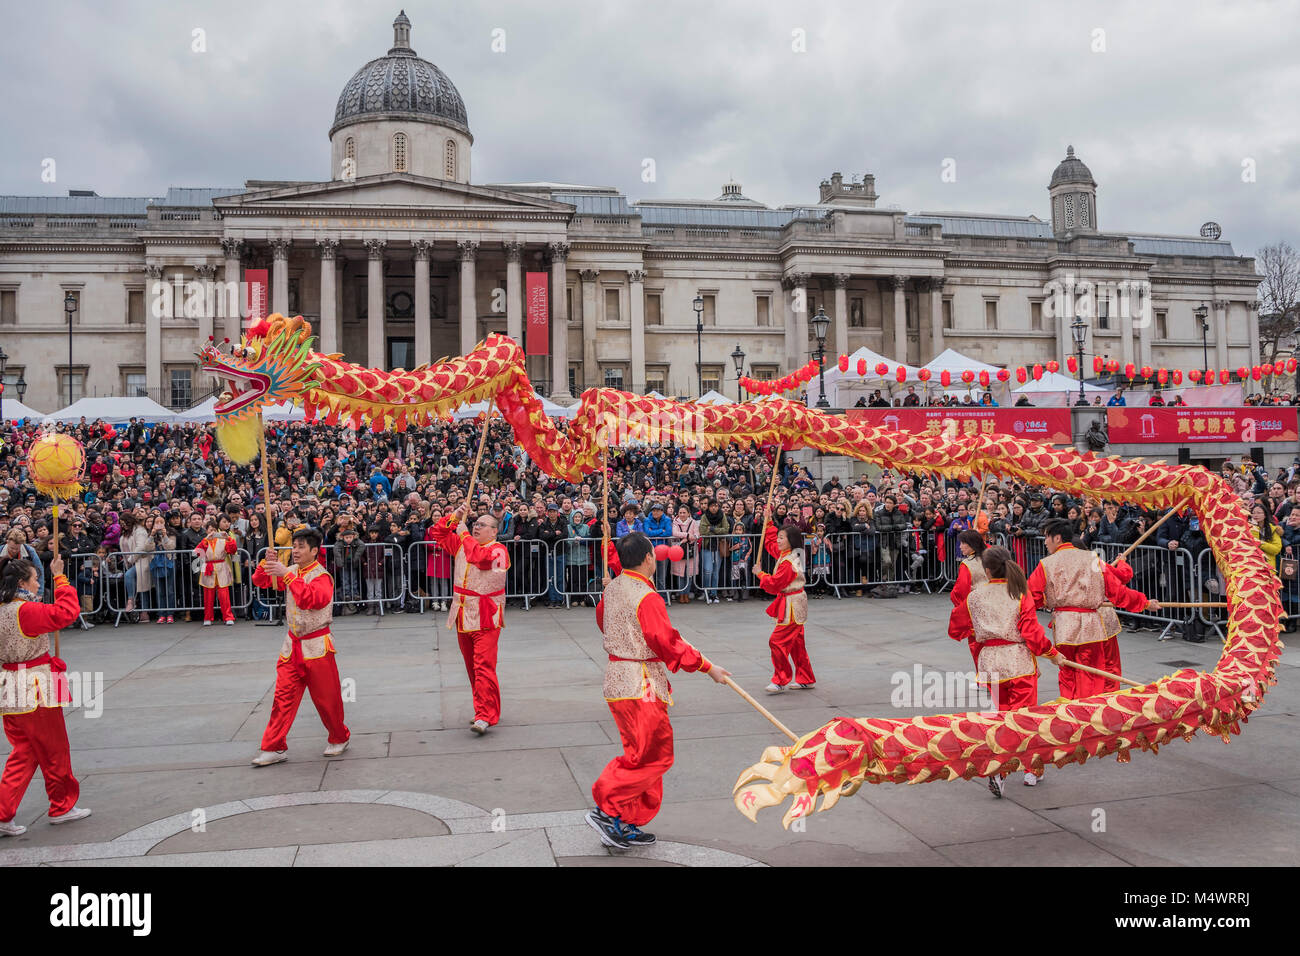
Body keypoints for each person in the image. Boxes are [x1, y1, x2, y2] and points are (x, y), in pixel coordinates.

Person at [585, 531, 730, 849]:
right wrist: (707, 667)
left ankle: (624, 821)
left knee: (639, 755)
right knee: (656, 757)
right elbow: (666, 642)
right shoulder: (645, 596)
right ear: (649, 558)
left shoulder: (614, 589)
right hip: (641, 683)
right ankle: (607, 807)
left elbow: (604, 622)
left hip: (617, 679)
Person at [0, 556, 92, 834]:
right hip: (35, 687)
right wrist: (61, 578)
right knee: (54, 750)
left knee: (25, 752)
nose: (38, 583)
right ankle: (61, 805)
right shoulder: (24, 610)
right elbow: (66, 612)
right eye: (35, 578)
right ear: (21, 583)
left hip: (9, 686)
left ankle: (3, 812)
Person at [250, 527, 350, 766]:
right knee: (282, 698)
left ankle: (339, 736)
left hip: (317, 646)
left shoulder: (322, 576)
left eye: (301, 546)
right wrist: (267, 563)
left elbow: (311, 601)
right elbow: (260, 581)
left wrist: (286, 574)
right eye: (294, 546)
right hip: (292, 645)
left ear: (314, 551)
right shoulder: (291, 570)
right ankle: (273, 746)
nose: (295, 551)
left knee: (327, 700)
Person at [1027, 518, 1159, 697]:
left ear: (1057, 538)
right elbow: (1117, 591)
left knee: (1067, 673)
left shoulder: (1046, 564)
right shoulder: (1091, 559)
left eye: (1046, 537)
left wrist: (1043, 602)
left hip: (1065, 627)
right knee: (1091, 674)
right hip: (1091, 626)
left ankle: (1071, 711)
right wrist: (1143, 603)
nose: (1044, 541)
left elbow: (1030, 598)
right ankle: (1091, 713)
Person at [968, 547, 1061, 795]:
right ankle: (1032, 768)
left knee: (1003, 716)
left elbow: (961, 627)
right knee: (1025, 718)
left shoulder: (975, 596)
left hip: (991, 663)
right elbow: (1031, 633)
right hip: (1018, 662)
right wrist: (1051, 653)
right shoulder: (1018, 593)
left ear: (987, 571)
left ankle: (1002, 768)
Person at [433, 504, 510, 735]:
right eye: (475, 524)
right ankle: (483, 710)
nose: (476, 527)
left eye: (482, 525)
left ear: (494, 531)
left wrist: (464, 532)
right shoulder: (462, 544)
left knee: (484, 666)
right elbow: (438, 534)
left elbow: (479, 558)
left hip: (487, 614)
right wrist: (454, 517)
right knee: (472, 668)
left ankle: (486, 715)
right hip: (463, 613)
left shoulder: (499, 550)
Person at [753, 510, 815, 693]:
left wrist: (760, 574)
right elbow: (771, 544)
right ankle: (806, 677)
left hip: (792, 605)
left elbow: (774, 584)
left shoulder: (790, 561)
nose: (778, 541)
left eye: (782, 538)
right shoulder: (785, 554)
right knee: (796, 644)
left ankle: (781, 679)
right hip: (792, 602)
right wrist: (770, 522)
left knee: (777, 641)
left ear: (790, 540)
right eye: (779, 537)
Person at [947, 529, 988, 666]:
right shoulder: (992, 557)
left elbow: (960, 591)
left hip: (977, 609)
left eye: (963, 543)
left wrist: (961, 608)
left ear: (971, 544)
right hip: (997, 604)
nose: (960, 546)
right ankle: (998, 682)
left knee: (978, 647)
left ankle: (984, 681)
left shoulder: (967, 564)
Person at [193, 517, 237, 626]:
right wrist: (206, 540)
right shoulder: (204, 541)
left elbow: (232, 550)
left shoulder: (223, 540)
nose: (212, 532)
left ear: (217, 530)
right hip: (208, 567)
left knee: (224, 595)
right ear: (206, 530)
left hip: (221, 567)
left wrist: (229, 539)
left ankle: (228, 617)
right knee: (208, 596)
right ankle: (208, 617)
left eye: (214, 529)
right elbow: (197, 553)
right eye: (209, 529)